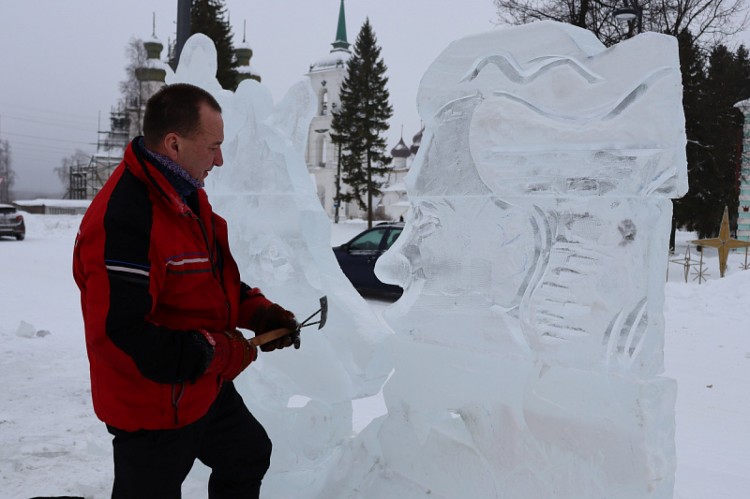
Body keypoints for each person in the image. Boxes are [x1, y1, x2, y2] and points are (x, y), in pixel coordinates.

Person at [73, 83, 299, 498]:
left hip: (199, 388)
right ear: (174, 145)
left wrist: (261, 314)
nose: (220, 159)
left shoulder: (187, 198)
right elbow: (121, 333)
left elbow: (213, 283)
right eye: (213, 146)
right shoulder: (125, 219)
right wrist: (215, 351)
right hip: (150, 405)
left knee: (248, 454)